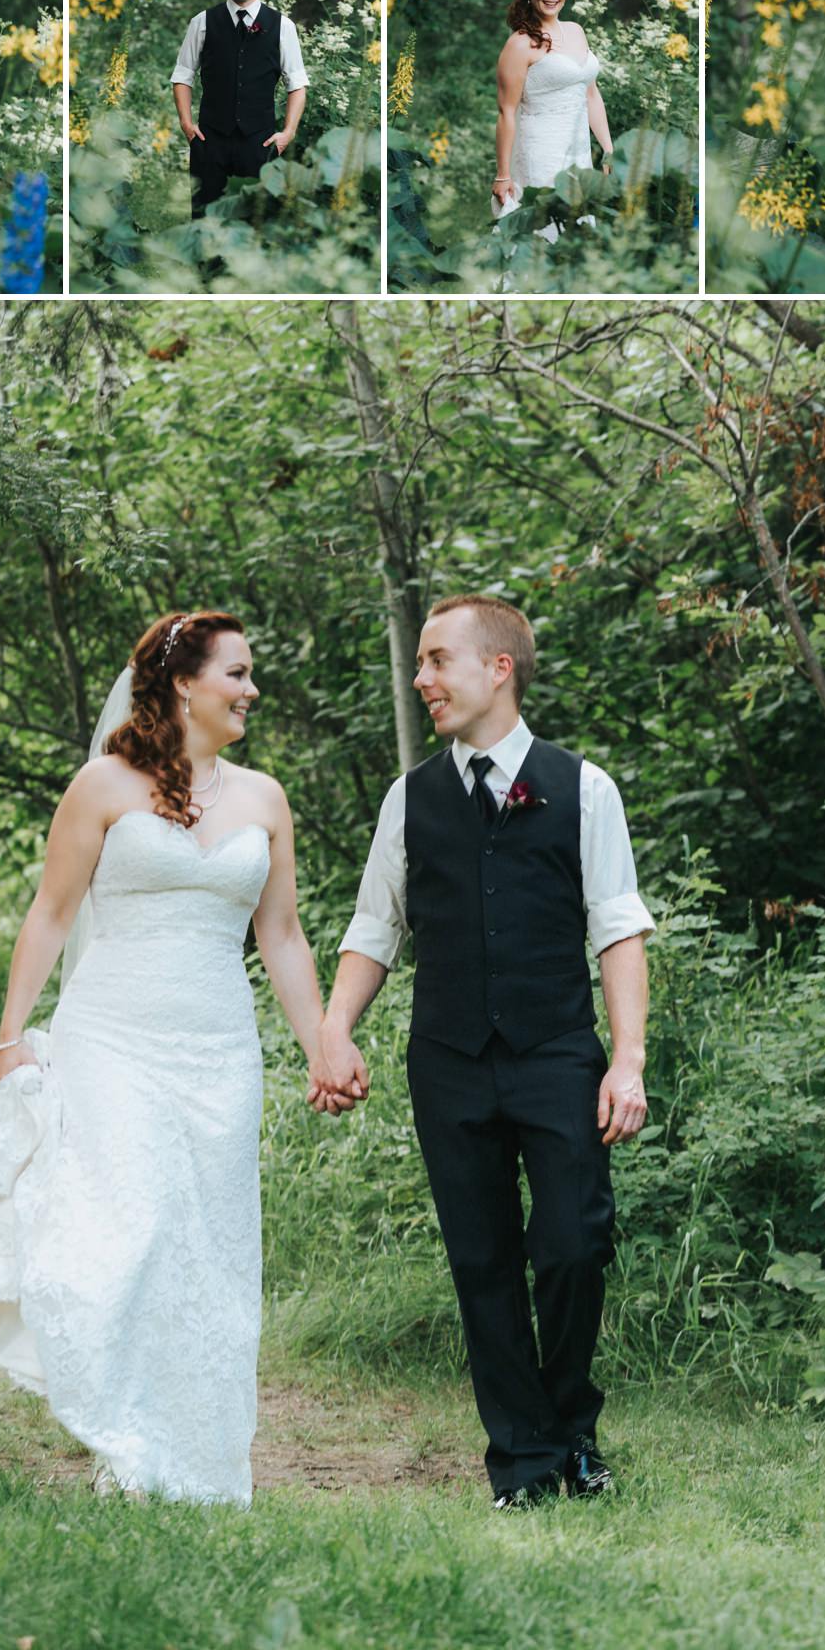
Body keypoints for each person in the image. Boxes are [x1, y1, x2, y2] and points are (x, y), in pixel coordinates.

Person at [0, 611, 341, 1505]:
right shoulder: (103, 786)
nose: (250, 691)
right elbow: (51, 913)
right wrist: (12, 1039)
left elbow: (280, 936)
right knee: (131, 1234)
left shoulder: (264, 799)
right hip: (113, 1040)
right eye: (236, 674)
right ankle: (124, 1440)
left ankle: (202, 1463)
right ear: (181, 684)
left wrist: (321, 1042)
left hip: (219, 1052)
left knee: (210, 1251)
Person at [315, 595, 653, 1509]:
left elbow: (617, 927)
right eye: (420, 663)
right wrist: (334, 1027)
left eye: (437, 661)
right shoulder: (410, 798)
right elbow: (374, 926)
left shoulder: (583, 788)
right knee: (483, 1259)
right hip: (449, 1060)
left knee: (575, 1242)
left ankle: (572, 1425)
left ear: (497, 667)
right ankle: (526, 1462)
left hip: (555, 1055)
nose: (422, 679)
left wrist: (628, 1059)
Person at [170, 0, 309, 219]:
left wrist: (288, 132)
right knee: (205, 221)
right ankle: (207, 265)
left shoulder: (283, 26)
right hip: (210, 141)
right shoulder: (202, 22)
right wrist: (186, 124)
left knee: (256, 223)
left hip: (261, 143)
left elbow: (297, 83)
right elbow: (183, 75)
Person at [492, 0, 614, 240]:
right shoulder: (520, 44)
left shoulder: (576, 31)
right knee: (543, 232)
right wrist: (502, 174)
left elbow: (591, 94)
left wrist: (608, 148)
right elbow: (506, 112)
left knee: (578, 232)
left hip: (579, 151)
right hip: (541, 153)